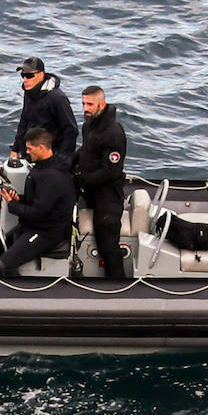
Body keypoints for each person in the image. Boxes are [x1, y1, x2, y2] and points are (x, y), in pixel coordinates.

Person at [0, 128, 76, 276]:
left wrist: (13, 205)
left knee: (4, 265)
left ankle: (17, 295)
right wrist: (20, 198)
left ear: (42, 148)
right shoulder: (44, 167)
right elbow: (39, 200)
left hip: (47, 232)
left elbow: (38, 213)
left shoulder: (52, 177)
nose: (27, 152)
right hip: (33, 225)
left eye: (30, 149)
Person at [74, 84, 128, 279]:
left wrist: (81, 179)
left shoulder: (113, 133)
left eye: (90, 104)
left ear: (101, 104)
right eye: (83, 104)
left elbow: (111, 172)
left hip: (108, 197)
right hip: (90, 191)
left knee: (108, 245)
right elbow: (86, 150)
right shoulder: (89, 125)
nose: (86, 108)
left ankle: (118, 286)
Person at [11, 56, 77, 171]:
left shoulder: (57, 98)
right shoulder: (29, 93)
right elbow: (24, 120)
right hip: (31, 153)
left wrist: (62, 160)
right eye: (23, 75)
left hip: (50, 156)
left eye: (30, 76)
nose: (25, 79)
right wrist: (15, 149)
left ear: (41, 75)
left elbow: (71, 130)